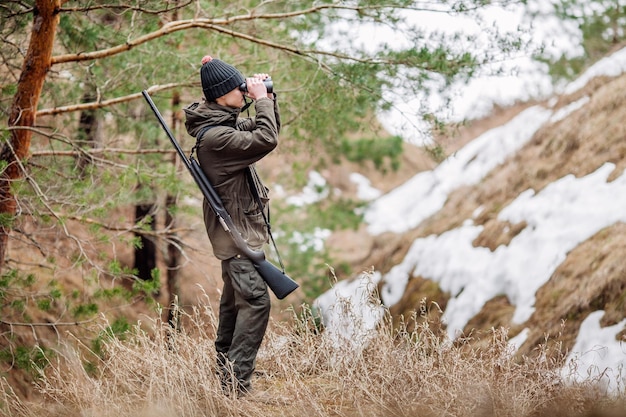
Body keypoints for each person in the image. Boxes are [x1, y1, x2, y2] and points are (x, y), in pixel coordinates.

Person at [183, 55, 280, 397]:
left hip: (239, 235)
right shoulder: (216, 140)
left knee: (234, 306)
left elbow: (264, 130)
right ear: (223, 95)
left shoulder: (223, 125)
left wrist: (268, 98)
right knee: (255, 304)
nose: (244, 91)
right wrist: (262, 101)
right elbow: (267, 139)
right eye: (239, 88)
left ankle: (226, 380)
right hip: (237, 239)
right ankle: (237, 387)